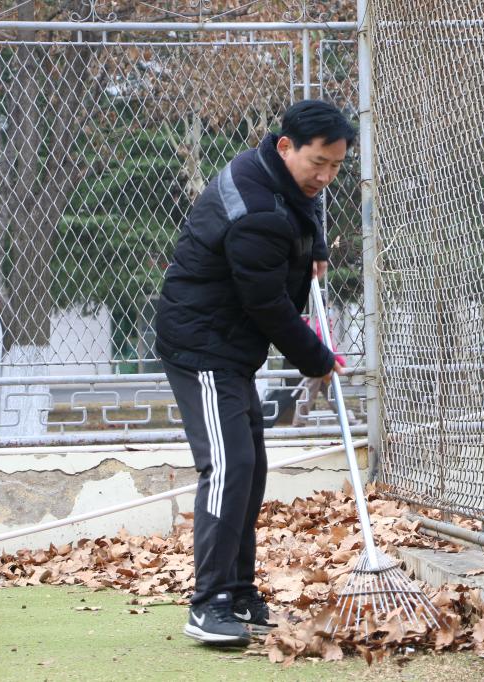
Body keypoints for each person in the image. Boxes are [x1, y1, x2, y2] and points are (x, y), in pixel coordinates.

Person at [154, 100, 354, 646]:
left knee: (250, 466)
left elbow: (306, 206)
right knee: (227, 466)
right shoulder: (256, 212)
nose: (325, 177)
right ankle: (209, 603)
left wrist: (314, 248)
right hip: (201, 344)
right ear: (286, 146)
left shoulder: (274, 172)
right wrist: (317, 359)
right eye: (318, 163)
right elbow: (268, 305)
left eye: (336, 166)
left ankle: (239, 592)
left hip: (232, 343)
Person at [291, 315, 347, 428]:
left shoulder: (314, 322)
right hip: (317, 364)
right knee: (310, 393)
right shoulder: (319, 324)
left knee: (330, 392)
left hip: (317, 362)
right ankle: (298, 423)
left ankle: (347, 420)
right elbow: (325, 345)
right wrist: (339, 361)